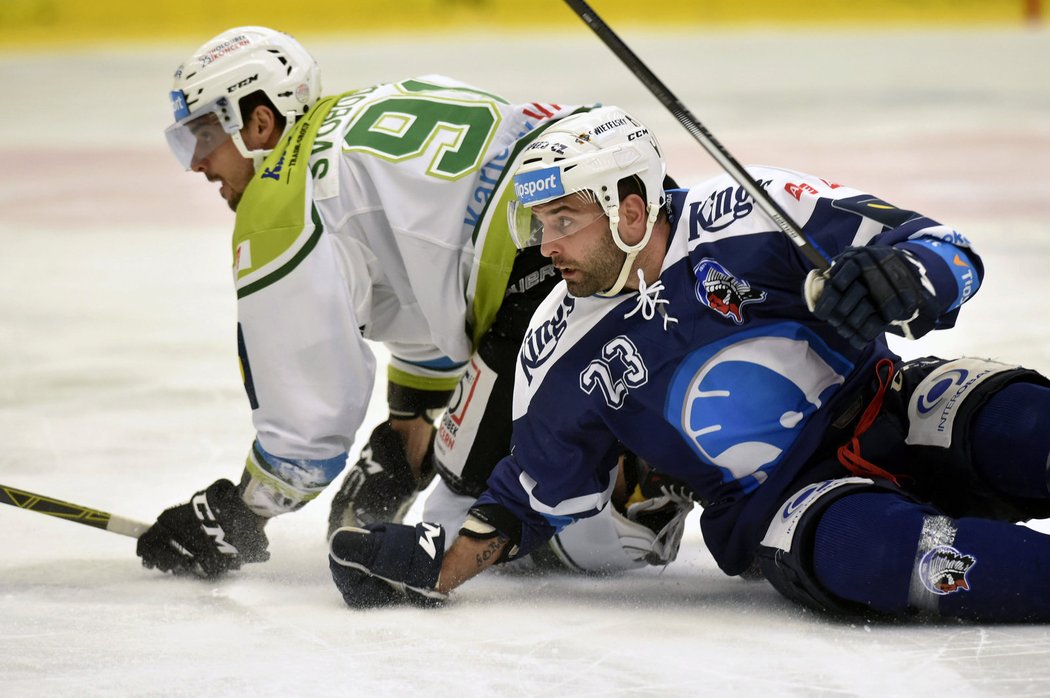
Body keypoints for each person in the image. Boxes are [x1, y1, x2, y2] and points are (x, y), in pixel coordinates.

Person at [328, 105, 1050, 623]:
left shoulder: (751, 210)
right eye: (541, 225)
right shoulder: (554, 349)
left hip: (888, 400)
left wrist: (905, 276)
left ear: (631, 209)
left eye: (564, 222)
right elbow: (525, 499)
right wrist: (437, 566)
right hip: (787, 505)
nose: (545, 246)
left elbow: (944, 247)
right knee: (872, 551)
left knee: (1024, 425)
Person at [135, 27, 693, 579]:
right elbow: (431, 288)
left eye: (204, 135)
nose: (195, 163)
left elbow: (306, 423)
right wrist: (407, 435)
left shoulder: (281, 198)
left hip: (546, 247)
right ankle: (659, 440)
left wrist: (233, 513)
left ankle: (635, 492)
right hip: (625, 195)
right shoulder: (365, 112)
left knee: (464, 524)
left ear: (259, 122)